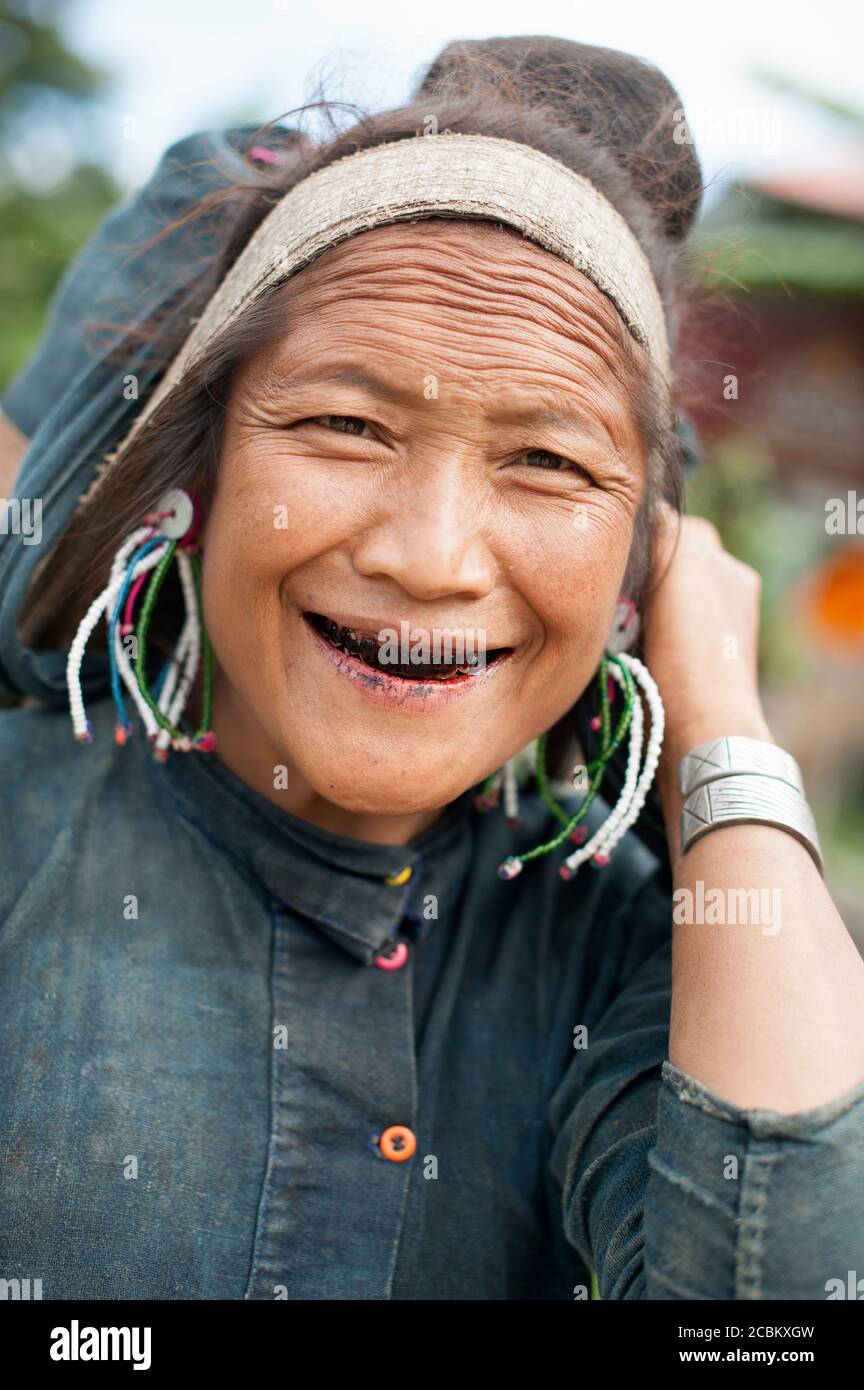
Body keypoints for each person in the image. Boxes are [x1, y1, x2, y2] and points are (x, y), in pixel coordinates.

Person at [1, 36, 863, 1302]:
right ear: (197, 478)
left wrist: (721, 724)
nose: (430, 558)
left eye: (549, 462)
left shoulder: (637, 953)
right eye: (346, 425)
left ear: (641, 569)